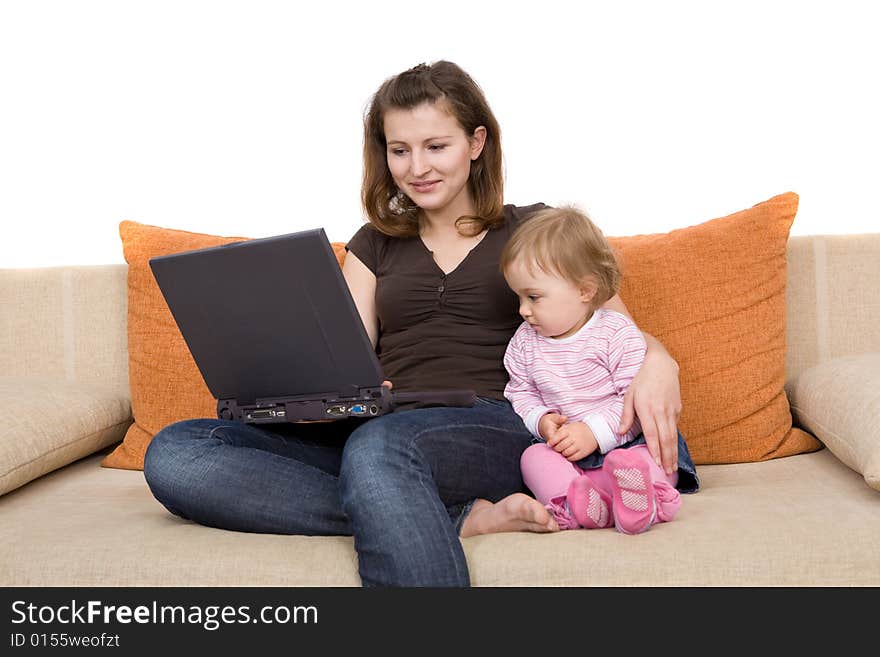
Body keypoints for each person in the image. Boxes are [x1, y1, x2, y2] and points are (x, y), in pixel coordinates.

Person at [143, 60, 690, 587]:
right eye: (400, 150)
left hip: (492, 423)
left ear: (477, 144)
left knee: (380, 450)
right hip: (378, 425)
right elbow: (347, 358)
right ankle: (451, 517)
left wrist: (661, 362)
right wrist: (315, 398)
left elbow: (613, 327)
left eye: (436, 146)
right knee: (178, 453)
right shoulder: (374, 244)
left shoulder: (533, 229)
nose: (417, 167)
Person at [501, 206, 698, 534]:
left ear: (584, 290)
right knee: (533, 457)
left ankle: (643, 501)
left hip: (627, 444)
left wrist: (593, 433)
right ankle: (578, 503)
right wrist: (540, 419)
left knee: (650, 458)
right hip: (572, 459)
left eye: (534, 297)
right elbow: (519, 391)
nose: (523, 310)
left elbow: (634, 403)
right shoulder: (524, 343)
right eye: (518, 297)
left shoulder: (615, 334)